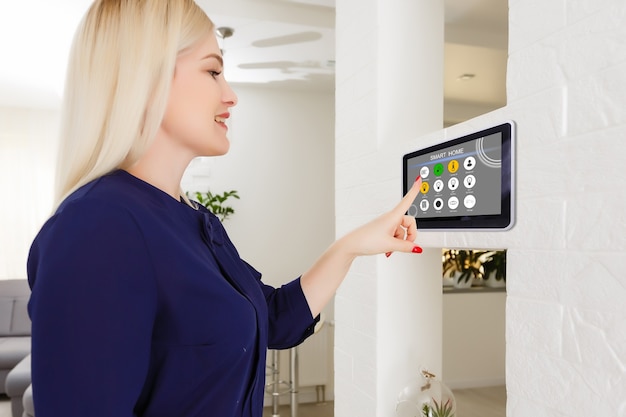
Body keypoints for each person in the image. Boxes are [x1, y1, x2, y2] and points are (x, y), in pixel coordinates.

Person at [26, 1, 424, 416]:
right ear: (146, 80)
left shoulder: (193, 220)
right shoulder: (98, 228)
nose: (230, 95)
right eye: (213, 71)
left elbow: (272, 318)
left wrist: (351, 246)